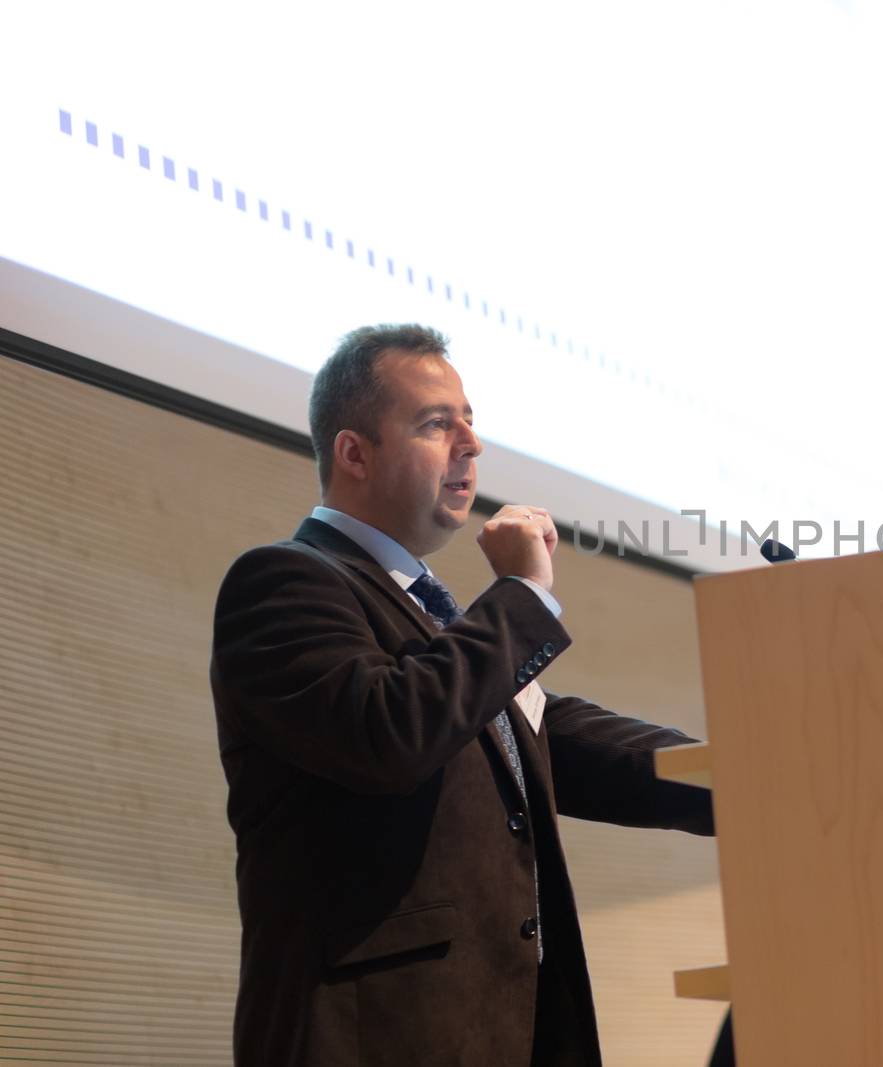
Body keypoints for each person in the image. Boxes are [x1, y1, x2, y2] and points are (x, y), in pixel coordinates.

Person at [210, 323, 713, 1066]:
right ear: (354, 452)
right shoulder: (285, 582)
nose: (471, 444)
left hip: (501, 1028)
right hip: (378, 1036)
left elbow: (551, 735)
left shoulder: (432, 615)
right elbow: (390, 732)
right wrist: (518, 596)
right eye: (437, 423)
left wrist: (743, 778)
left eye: (470, 420)